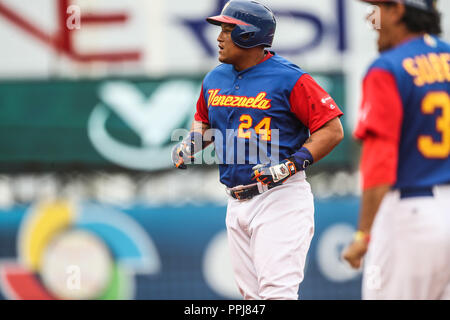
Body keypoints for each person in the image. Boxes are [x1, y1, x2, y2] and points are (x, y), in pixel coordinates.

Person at [172, 0, 344, 300]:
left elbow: (331, 129)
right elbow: (204, 121)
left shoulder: (290, 78)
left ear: (249, 35)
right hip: (235, 201)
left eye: (228, 29)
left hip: (280, 197)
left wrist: (292, 164)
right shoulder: (215, 77)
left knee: (277, 294)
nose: (219, 37)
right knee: (252, 300)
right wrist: (193, 141)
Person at [343, 0, 450, 300]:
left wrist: (363, 234)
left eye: (376, 8)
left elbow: (380, 160)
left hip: (411, 214)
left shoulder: (387, 67)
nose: (370, 17)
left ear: (398, 10)